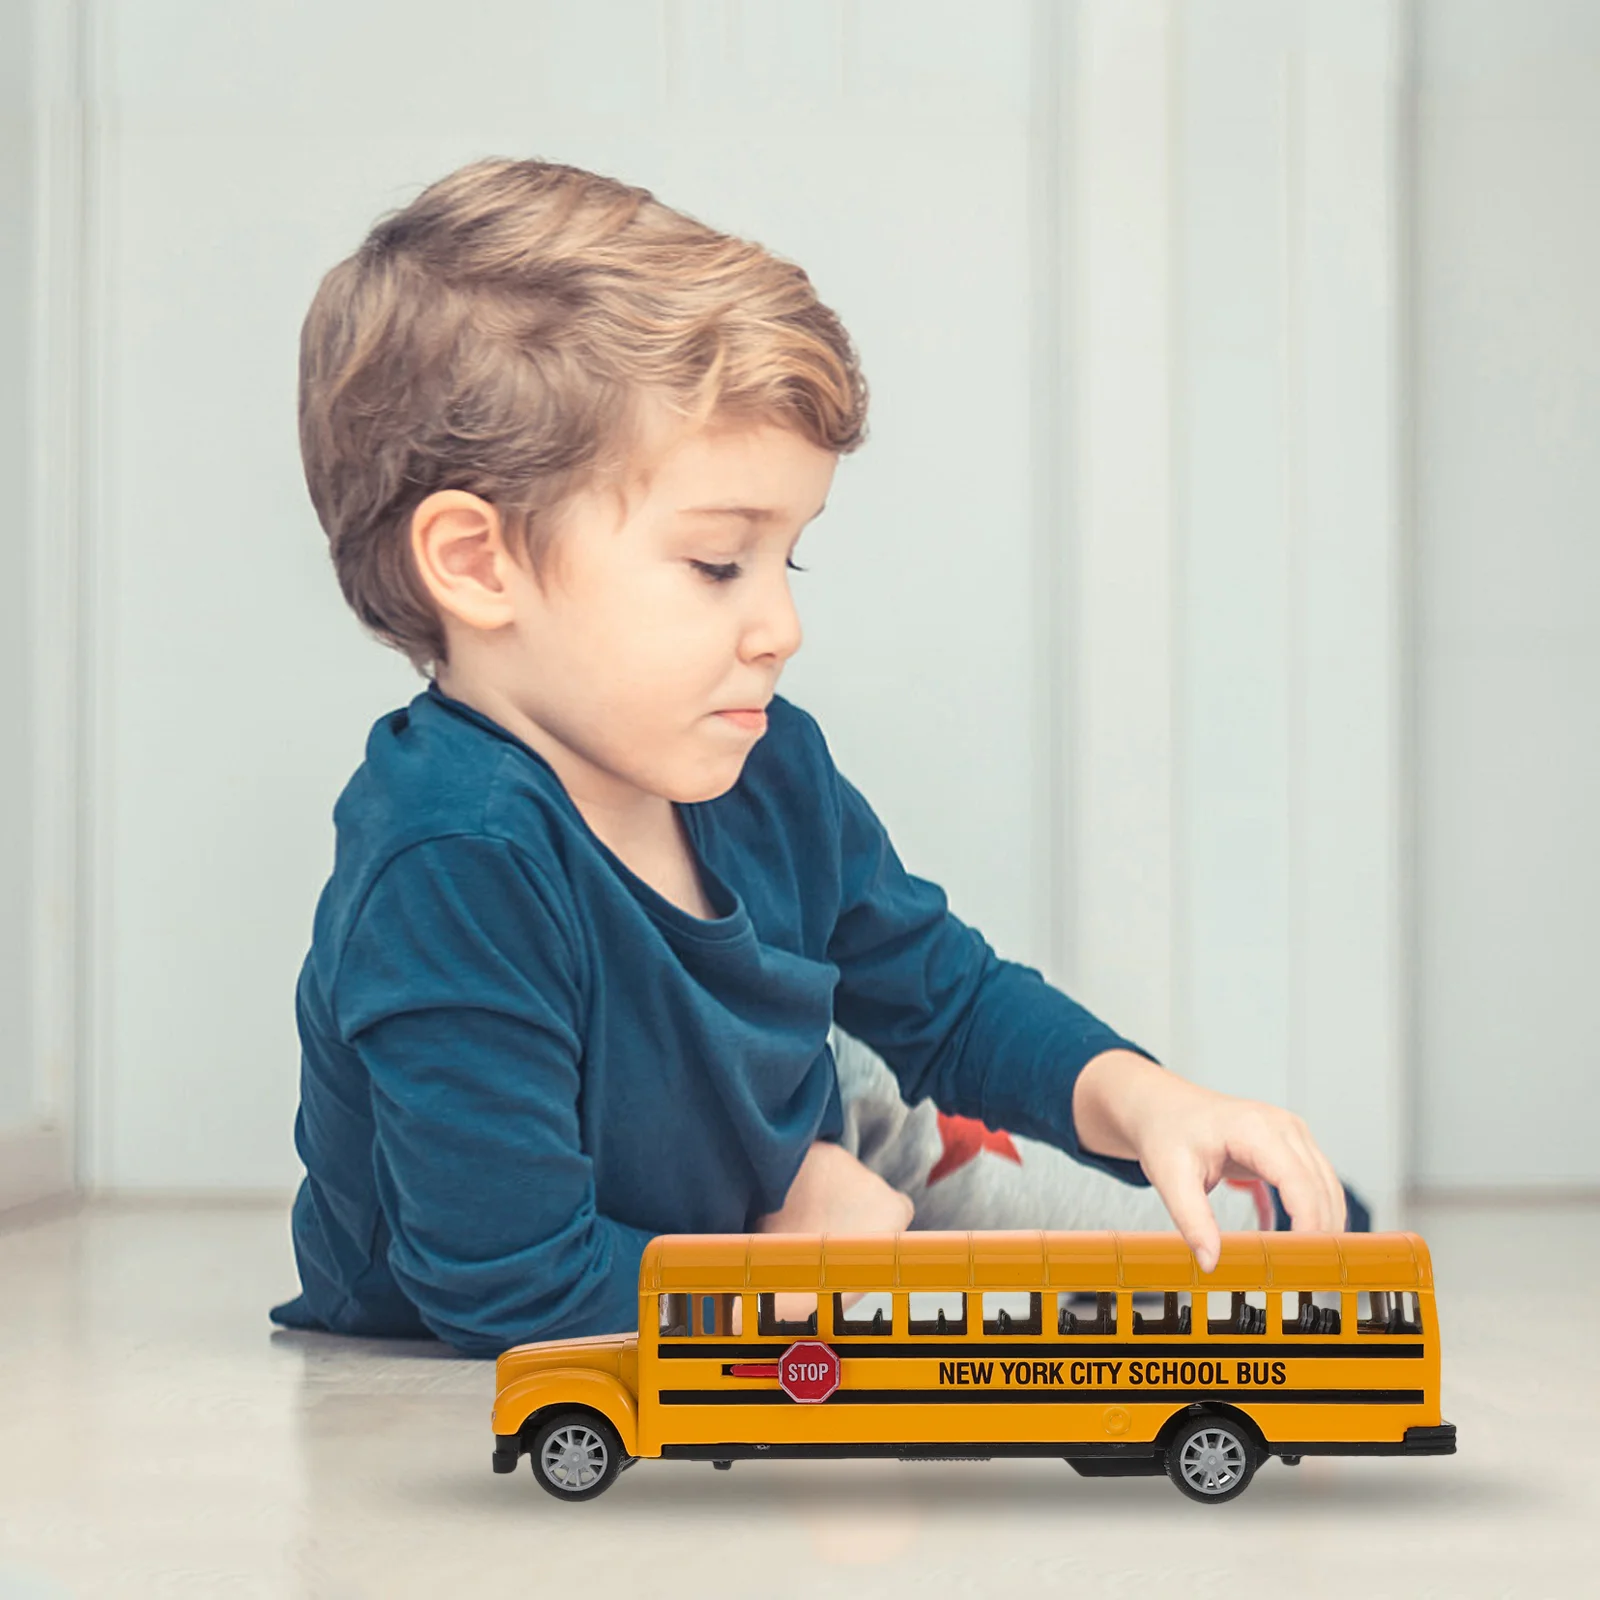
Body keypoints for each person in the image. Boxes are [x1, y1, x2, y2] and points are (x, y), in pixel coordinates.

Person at [269, 156, 1358, 1359]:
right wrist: (798, 1269)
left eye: (793, 559)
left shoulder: (762, 760)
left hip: (797, 1140)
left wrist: (1148, 1096)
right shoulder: (453, 859)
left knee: (1231, 1253)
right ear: (479, 564)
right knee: (932, 1252)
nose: (780, 626)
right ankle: (896, 1160)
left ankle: (991, 1155)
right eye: (718, 563)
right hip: (724, 1227)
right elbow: (508, 1284)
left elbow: (947, 998)